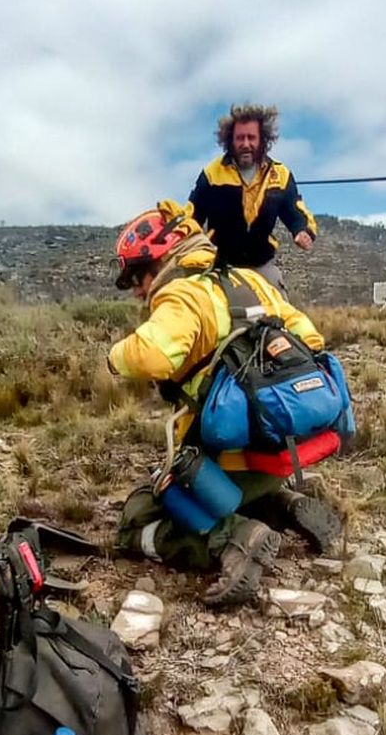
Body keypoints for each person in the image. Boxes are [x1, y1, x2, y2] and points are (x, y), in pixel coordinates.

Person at [107, 203, 342, 606]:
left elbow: (152, 357)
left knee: (135, 518)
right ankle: (286, 503)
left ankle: (232, 540)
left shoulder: (181, 294)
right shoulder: (250, 280)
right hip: (279, 453)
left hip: (225, 466)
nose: (136, 289)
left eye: (137, 274)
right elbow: (311, 338)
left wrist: (115, 358)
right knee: (230, 478)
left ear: (164, 257)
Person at [187, 103, 317, 284]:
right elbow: (192, 216)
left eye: (251, 138)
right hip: (220, 266)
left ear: (262, 139)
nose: (245, 144)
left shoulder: (280, 175)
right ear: (230, 140)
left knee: (280, 308)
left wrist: (303, 231)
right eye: (240, 138)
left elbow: (295, 212)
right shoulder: (212, 173)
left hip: (262, 265)